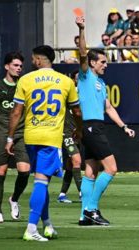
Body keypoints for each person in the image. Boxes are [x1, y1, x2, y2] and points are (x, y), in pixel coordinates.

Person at [5, 45, 81, 241]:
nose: (32, 62)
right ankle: (31, 229)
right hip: (50, 138)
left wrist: (10, 138)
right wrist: (79, 130)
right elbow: (77, 112)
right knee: (41, 182)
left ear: (39, 60)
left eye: (33, 59)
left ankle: (47, 225)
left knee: (42, 181)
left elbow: (15, 112)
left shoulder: (26, 80)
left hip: (30, 136)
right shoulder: (66, 82)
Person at [76, 15, 135, 226]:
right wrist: (82, 29)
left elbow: (109, 108)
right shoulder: (85, 77)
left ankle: (84, 215)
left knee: (91, 171)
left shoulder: (101, 83)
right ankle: (92, 208)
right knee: (111, 168)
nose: (106, 65)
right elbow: (83, 53)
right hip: (91, 127)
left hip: (95, 126)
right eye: (102, 62)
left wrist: (124, 127)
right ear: (92, 63)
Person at [0, 52, 30, 223]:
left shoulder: (23, 86)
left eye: (20, 66)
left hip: (21, 133)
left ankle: (14, 199)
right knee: (0, 171)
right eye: (15, 65)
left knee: (25, 171)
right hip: (2, 131)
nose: (19, 68)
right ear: (6, 66)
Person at [57, 70, 82, 203]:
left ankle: (62, 194)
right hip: (66, 132)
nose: (79, 80)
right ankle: (82, 193)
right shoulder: (67, 93)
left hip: (77, 132)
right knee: (76, 160)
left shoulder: (84, 92)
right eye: (77, 78)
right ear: (72, 79)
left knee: (70, 164)